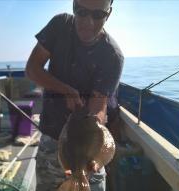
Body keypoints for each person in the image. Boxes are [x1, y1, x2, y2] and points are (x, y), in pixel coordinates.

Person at [26, 0, 123, 190]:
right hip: (52, 135)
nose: (88, 21)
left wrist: (95, 121)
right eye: (81, 12)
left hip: (89, 150)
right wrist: (66, 90)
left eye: (98, 15)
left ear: (108, 14)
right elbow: (32, 69)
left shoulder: (112, 55)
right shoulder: (59, 26)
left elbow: (99, 103)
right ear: (73, 6)